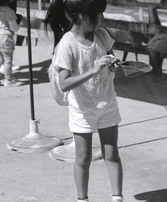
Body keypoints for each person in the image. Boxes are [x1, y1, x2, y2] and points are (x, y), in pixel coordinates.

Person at [44, 0, 123, 201]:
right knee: (83, 157)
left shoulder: (102, 35)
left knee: (112, 154)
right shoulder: (67, 43)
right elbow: (64, 83)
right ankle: (83, 199)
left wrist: (113, 64)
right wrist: (94, 70)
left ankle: (117, 197)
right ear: (84, 17)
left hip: (107, 103)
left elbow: (110, 58)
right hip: (82, 110)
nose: (103, 17)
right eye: (100, 13)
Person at [0, 0, 23, 86]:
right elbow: (14, 28)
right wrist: (18, 24)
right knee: (7, 59)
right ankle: (9, 79)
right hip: (5, 36)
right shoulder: (9, 11)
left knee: (0, 59)